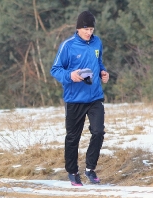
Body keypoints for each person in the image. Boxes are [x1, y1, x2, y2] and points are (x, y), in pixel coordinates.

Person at [50, 11, 110, 186]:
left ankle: (90, 169)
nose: (89, 32)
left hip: (95, 97)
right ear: (78, 28)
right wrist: (71, 76)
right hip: (74, 99)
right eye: (86, 29)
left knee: (98, 132)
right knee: (73, 137)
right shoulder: (67, 46)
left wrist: (103, 72)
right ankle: (73, 171)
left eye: (91, 28)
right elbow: (55, 69)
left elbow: (99, 63)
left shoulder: (97, 42)